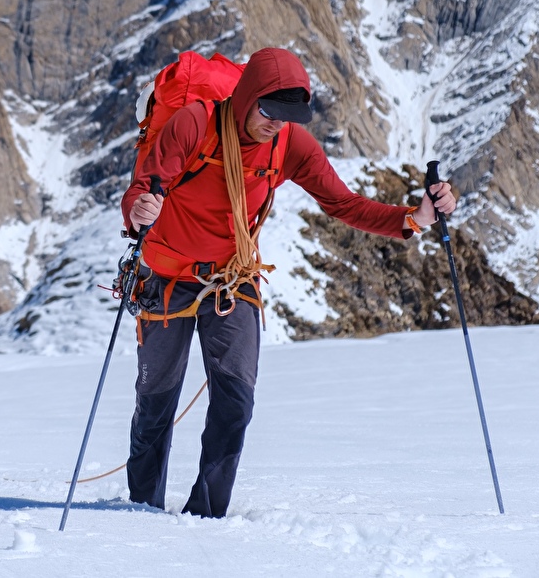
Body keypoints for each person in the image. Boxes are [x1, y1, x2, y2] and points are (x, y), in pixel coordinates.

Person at [120, 47, 456, 517]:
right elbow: (146, 184)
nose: (276, 123)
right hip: (167, 277)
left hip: (230, 280)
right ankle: (140, 514)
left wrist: (413, 219)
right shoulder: (194, 124)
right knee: (156, 402)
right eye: (268, 111)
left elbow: (342, 203)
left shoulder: (287, 144)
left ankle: (207, 517)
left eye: (287, 116)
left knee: (235, 401)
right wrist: (138, 211)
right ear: (246, 97)